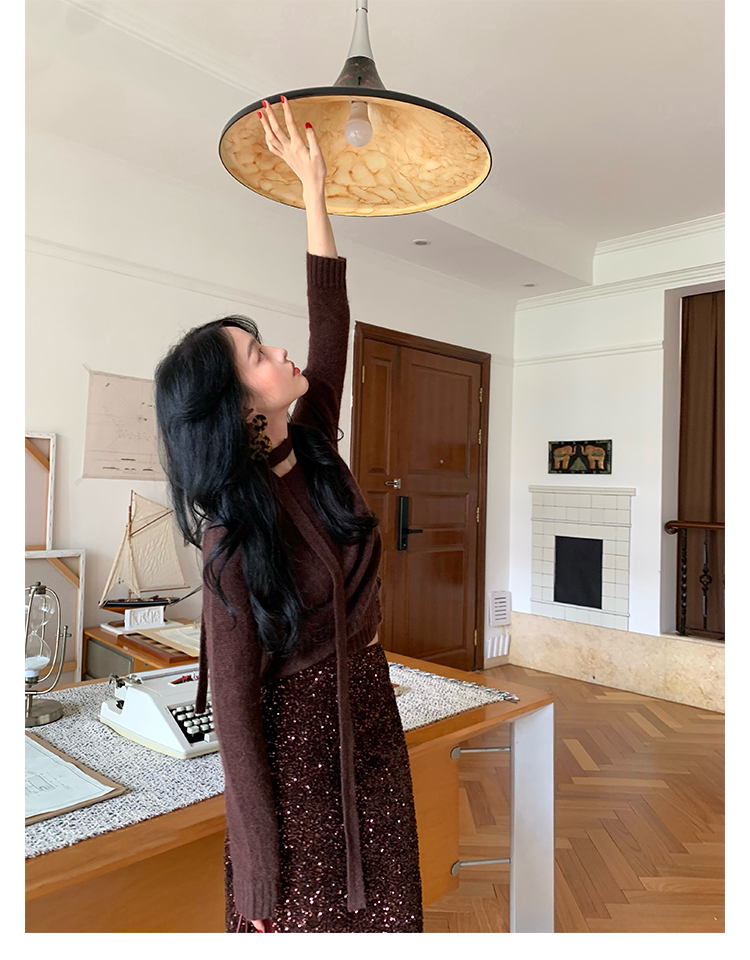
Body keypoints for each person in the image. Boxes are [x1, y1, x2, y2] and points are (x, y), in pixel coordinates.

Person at [154, 98, 423, 933]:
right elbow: (235, 718)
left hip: (368, 717)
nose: (281, 351)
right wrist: (260, 877)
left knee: (389, 917)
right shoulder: (232, 537)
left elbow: (331, 320)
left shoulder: (310, 441)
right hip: (297, 761)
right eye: (258, 354)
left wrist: (314, 190)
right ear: (240, 407)